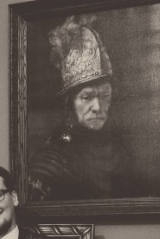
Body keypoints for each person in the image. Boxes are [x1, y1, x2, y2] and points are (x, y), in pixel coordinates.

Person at [27, 16, 138, 201]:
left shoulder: (120, 149)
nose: (97, 107)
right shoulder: (50, 161)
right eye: (86, 97)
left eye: (105, 96)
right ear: (70, 103)